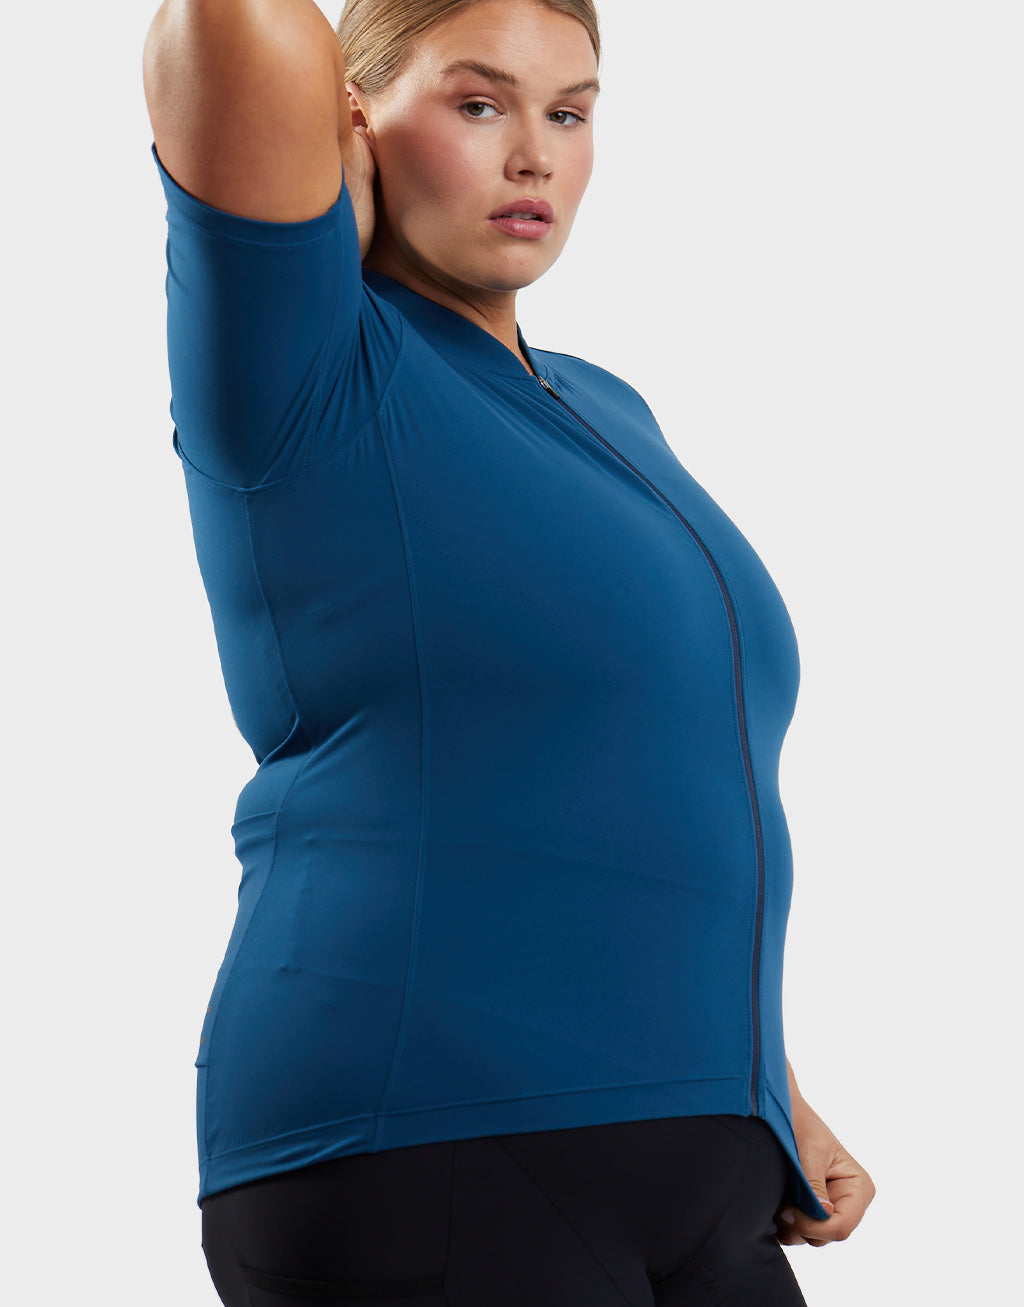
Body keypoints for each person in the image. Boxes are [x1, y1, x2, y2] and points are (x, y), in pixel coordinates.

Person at [143, 0, 876, 1303]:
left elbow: (641, 778)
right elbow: (233, 27)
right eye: (478, 104)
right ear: (352, 119)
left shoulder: (606, 405)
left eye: (569, 111)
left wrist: (771, 1086)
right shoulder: (304, 362)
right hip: (428, 1136)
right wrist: (308, 142)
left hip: (696, 1145)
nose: (534, 153)